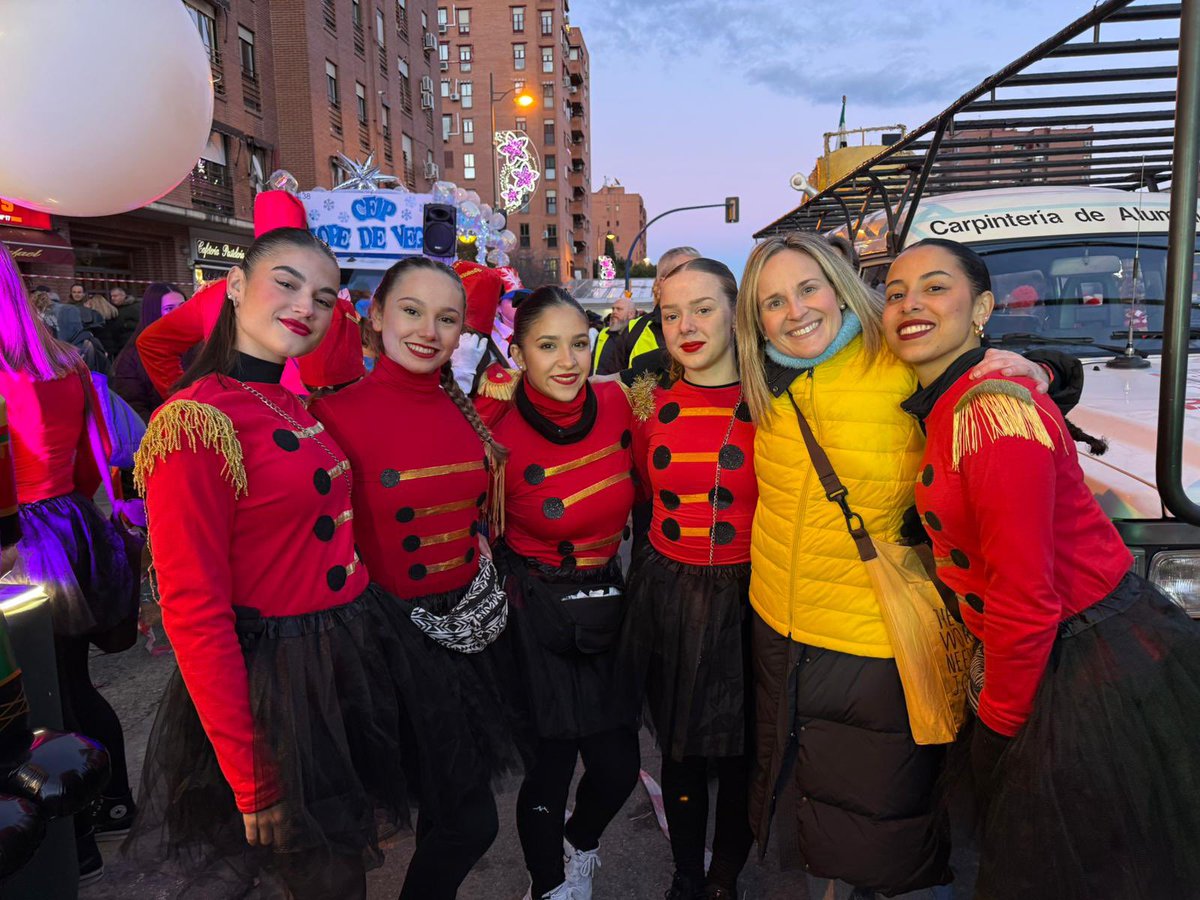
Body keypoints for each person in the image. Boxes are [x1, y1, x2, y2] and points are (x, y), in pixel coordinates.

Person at [736, 232, 1075, 900]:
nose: (795, 311)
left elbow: (987, 376)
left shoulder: (897, 363)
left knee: (893, 840)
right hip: (778, 632)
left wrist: (1044, 368)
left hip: (876, 645)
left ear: (840, 289)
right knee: (809, 817)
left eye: (809, 289)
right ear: (756, 319)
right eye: (773, 301)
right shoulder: (764, 380)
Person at [883, 238, 1200, 900]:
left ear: (983, 309)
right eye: (894, 293)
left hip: (1078, 671)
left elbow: (1027, 601)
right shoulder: (955, 399)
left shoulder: (991, 414)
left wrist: (1000, 731)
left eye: (935, 287)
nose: (910, 303)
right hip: (1058, 657)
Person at [129, 228, 408, 899]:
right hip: (274, 691)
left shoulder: (287, 401)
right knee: (322, 880)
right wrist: (252, 776)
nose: (304, 306)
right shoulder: (194, 422)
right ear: (230, 288)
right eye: (286, 283)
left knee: (338, 871)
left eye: (322, 296)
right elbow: (193, 612)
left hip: (337, 664)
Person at [310, 257, 518, 900]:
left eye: (446, 318)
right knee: (469, 822)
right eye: (411, 310)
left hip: (464, 633)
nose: (428, 329)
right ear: (375, 316)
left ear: (463, 334)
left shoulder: (470, 411)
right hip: (382, 647)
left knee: (447, 812)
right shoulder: (330, 414)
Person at [478, 288, 640, 900]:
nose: (568, 360)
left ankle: (581, 843)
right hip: (535, 608)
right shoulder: (493, 423)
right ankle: (547, 887)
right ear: (518, 352)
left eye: (579, 342)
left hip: (607, 602)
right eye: (547, 346)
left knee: (618, 765)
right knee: (549, 767)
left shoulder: (620, 401)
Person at [0, 243, 139, 885]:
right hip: (72, 524)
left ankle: (74, 840)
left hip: (22, 539)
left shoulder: (9, 374)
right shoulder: (66, 363)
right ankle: (112, 806)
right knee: (70, 684)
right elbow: (94, 462)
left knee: (39, 698)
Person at [620, 258, 756, 900]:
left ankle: (725, 876)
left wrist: (1044, 369)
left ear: (736, 311)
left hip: (751, 596)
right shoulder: (644, 398)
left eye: (703, 308)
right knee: (678, 748)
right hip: (669, 590)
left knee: (739, 755)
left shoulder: (781, 398)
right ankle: (685, 877)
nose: (686, 325)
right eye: (671, 313)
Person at [607, 247, 701, 380]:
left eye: (703, 273)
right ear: (663, 282)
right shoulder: (634, 330)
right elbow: (608, 384)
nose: (699, 281)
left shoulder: (716, 325)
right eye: (690, 274)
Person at [111, 284, 180, 422]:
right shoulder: (132, 357)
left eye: (182, 306)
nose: (178, 313)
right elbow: (133, 405)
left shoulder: (197, 346)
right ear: (154, 313)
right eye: (169, 308)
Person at [591, 294, 635, 375]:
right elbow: (593, 361)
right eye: (613, 309)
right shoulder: (603, 333)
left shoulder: (637, 336)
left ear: (631, 314)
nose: (614, 312)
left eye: (619, 309)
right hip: (598, 384)